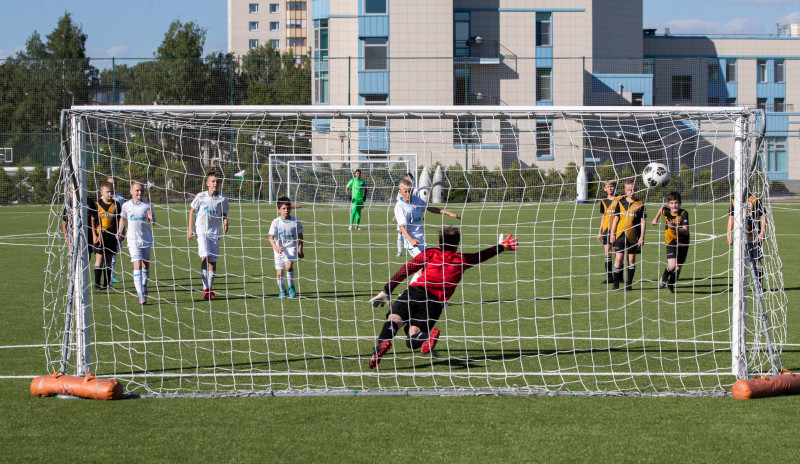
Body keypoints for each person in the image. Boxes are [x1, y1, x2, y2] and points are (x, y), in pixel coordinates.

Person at [367, 227, 517, 368]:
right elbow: (481, 256)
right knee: (412, 337)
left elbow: (407, 269)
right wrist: (501, 247)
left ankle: (383, 342)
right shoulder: (462, 260)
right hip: (435, 303)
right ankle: (424, 337)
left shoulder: (431, 253)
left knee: (394, 319)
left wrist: (388, 289)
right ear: (457, 244)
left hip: (415, 292)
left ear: (439, 242)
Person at [188, 171, 230, 300]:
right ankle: (206, 288)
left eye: (217, 181)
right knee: (205, 257)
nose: (215, 183)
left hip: (214, 232)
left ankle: (210, 287)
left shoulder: (222, 199)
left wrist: (225, 220)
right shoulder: (201, 196)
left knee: (212, 261)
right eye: (213, 181)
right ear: (207, 183)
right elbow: (192, 211)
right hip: (201, 231)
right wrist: (190, 228)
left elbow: (224, 213)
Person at [395, 178, 460, 259]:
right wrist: (411, 240)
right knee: (423, 263)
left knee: (425, 265)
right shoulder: (399, 206)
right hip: (411, 241)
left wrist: (448, 213)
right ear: (400, 192)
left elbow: (430, 208)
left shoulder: (416, 199)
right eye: (405, 192)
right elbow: (402, 227)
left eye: (410, 191)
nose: (408, 194)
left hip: (421, 238)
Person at [117, 181, 155, 305]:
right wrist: (119, 231)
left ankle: (143, 284)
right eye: (137, 190)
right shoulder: (126, 206)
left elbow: (153, 222)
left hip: (146, 238)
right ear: (131, 191)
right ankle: (140, 294)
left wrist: (151, 219)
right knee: (137, 263)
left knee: (145, 265)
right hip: (132, 239)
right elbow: (123, 218)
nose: (139, 192)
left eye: (141, 190)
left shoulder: (147, 205)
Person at [608, 179, 647, 291]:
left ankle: (628, 284)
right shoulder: (620, 202)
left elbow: (643, 221)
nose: (631, 191)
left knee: (631, 259)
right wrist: (612, 234)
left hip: (633, 235)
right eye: (628, 189)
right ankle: (615, 284)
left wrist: (642, 237)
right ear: (625, 190)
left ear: (636, 190)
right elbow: (615, 219)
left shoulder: (640, 204)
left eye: (633, 189)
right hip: (620, 234)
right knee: (619, 258)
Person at [651, 191, 690, 293]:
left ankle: (670, 285)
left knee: (678, 268)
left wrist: (675, 227)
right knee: (672, 266)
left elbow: (686, 231)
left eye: (676, 203)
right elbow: (661, 208)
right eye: (672, 203)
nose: (674, 205)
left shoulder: (683, 213)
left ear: (680, 203)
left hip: (683, 242)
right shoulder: (666, 211)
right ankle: (664, 278)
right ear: (669, 204)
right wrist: (655, 219)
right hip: (671, 240)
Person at [727, 191, 766, 288]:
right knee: (739, 259)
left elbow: (763, 215)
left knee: (757, 260)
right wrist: (728, 234)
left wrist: (762, 232)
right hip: (740, 235)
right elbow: (731, 218)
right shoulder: (734, 199)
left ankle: (759, 283)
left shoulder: (755, 198)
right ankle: (738, 284)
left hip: (754, 235)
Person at [88, 181, 123, 290]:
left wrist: (121, 233)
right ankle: (97, 284)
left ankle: (107, 284)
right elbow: (93, 220)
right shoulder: (97, 204)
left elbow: (119, 220)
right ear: (101, 192)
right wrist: (94, 235)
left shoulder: (116, 204)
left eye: (111, 192)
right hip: (100, 235)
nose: (110, 194)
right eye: (107, 192)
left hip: (112, 236)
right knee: (99, 258)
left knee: (109, 259)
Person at [268, 196, 304, 298]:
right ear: (279, 210)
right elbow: (271, 238)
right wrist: (276, 248)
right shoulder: (275, 222)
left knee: (288, 266)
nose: (286, 210)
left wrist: (300, 249)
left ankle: (291, 287)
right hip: (278, 249)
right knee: (279, 274)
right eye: (284, 208)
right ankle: (282, 290)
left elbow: (300, 236)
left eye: (288, 208)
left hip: (291, 247)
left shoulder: (296, 222)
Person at [595, 180, 620, 284]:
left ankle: (619, 277)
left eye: (612, 186)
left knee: (619, 254)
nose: (610, 188)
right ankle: (609, 277)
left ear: (615, 187)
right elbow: (603, 216)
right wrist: (600, 231)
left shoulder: (620, 199)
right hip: (606, 229)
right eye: (608, 187)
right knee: (607, 253)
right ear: (604, 188)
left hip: (618, 229)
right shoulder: (603, 200)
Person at [107, 176, 126, 284]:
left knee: (114, 252)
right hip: (105, 228)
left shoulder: (120, 198)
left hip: (116, 228)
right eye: (110, 183)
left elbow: (123, 215)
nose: (113, 185)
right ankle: (105, 276)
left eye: (114, 183)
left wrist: (122, 230)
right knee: (105, 254)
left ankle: (111, 275)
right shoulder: (101, 197)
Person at [393, 172, 415, 256]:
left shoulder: (412, 189)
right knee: (400, 231)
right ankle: (399, 251)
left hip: (411, 213)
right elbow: (399, 202)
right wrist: (396, 215)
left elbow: (416, 204)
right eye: (406, 179)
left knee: (409, 229)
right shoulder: (402, 190)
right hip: (403, 212)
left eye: (410, 179)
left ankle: (411, 246)